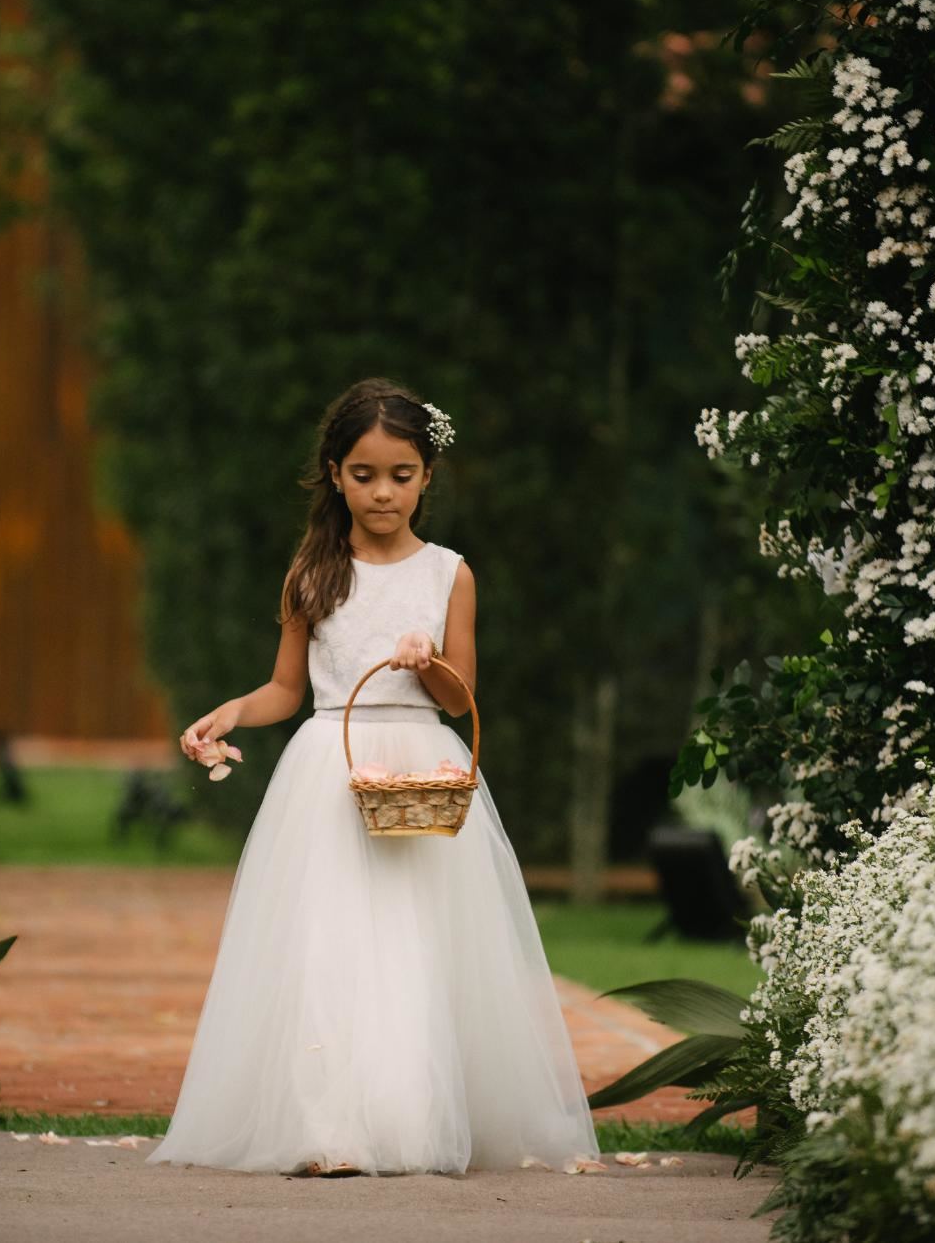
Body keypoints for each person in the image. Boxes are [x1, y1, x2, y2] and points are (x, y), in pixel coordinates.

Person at [146, 379, 599, 1178]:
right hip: (331, 771)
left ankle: (412, 1120)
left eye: (401, 474)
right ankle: (329, 1129)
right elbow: (287, 689)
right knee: (330, 947)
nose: (383, 491)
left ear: (427, 476)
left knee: (416, 948)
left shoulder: (450, 574)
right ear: (334, 473)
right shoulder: (312, 572)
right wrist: (229, 713)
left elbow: (461, 701)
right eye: (363, 474)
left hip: (420, 769)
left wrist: (428, 663)